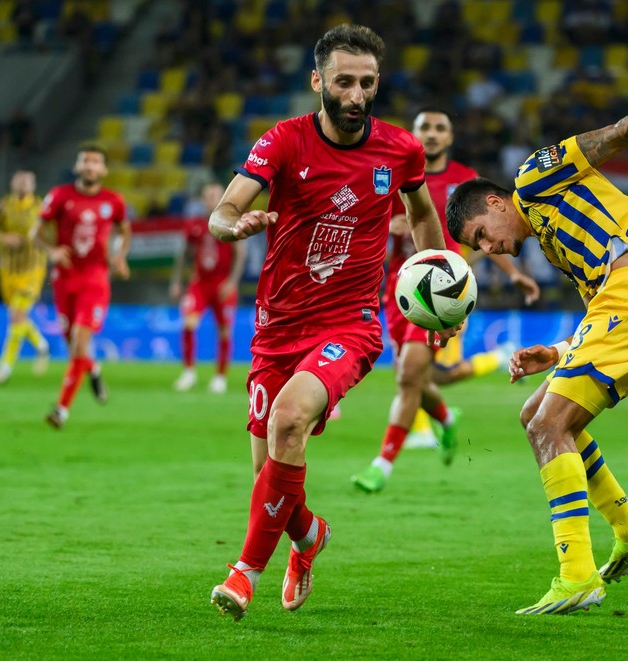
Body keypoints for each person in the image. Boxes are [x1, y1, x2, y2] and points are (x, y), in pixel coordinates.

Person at [446, 58, 628, 615]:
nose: (491, 248)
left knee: (549, 423)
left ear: (497, 203)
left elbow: (615, 135)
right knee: (537, 416)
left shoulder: (534, 177)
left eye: (482, 234)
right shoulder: (555, 245)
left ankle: (576, 574)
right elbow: (603, 313)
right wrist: (555, 353)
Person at [207, 24, 457, 622]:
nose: (356, 94)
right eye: (344, 81)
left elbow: (423, 218)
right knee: (270, 474)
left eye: (367, 83)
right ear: (318, 81)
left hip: (350, 323)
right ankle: (307, 538)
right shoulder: (284, 142)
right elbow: (225, 207)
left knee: (288, 421)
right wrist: (230, 225)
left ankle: (243, 576)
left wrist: (438, 291)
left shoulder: (400, 150)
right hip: (276, 326)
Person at [351, 108, 540, 493]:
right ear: (414, 135)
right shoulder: (393, 175)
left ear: (450, 138)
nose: (432, 134)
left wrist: (515, 274)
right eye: (425, 128)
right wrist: (388, 225)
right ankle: (445, 419)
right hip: (398, 290)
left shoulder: (464, 182)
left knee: (407, 376)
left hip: (444, 292)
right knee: (415, 378)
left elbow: (489, 234)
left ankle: (381, 466)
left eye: (440, 128)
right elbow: (363, 221)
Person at [36, 145, 131, 429]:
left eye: (96, 162)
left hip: (95, 279)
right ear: (77, 166)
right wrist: (51, 251)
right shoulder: (59, 196)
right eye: (85, 161)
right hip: (64, 279)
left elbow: (125, 231)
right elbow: (36, 232)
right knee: (74, 348)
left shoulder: (113, 201)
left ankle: (61, 410)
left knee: (79, 341)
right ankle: (93, 367)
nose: (90, 166)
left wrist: (119, 255)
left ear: (103, 170)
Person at [0, 169, 50, 384]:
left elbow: (55, 229)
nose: (24, 183)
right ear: (12, 183)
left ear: (34, 185)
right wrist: (3, 237)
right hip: (8, 271)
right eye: (20, 180)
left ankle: (5, 368)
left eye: (28, 180)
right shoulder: (2, 206)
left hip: (33, 268)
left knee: (16, 316)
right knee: (18, 317)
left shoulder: (42, 207)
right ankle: (41, 345)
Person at [170, 182, 246, 394]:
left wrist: (232, 282)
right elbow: (184, 254)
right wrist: (176, 281)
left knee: (224, 331)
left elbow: (240, 255)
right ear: (203, 200)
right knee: (188, 323)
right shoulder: (194, 224)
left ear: (223, 197)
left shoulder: (231, 222)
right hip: (200, 284)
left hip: (222, 284)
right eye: (208, 196)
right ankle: (189, 372)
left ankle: (220, 376)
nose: (211, 199)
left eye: (215, 195)